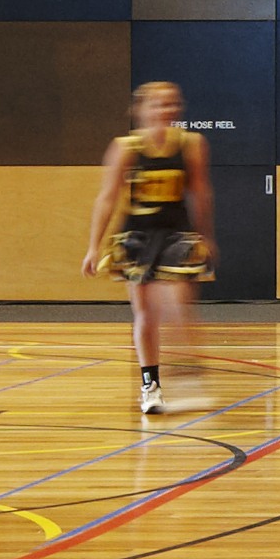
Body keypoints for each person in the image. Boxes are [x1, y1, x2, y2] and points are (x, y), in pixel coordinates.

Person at [81, 80, 214, 416]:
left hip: (176, 233)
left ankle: (186, 369)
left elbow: (200, 192)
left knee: (178, 302)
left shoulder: (191, 144)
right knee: (145, 314)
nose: (166, 110)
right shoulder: (126, 147)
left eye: (172, 104)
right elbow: (107, 197)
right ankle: (150, 386)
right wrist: (93, 246)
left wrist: (205, 235)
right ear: (142, 110)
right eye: (158, 104)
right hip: (138, 235)